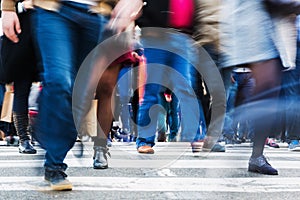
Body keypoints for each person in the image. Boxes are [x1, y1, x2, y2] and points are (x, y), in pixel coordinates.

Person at [1, 0, 144, 190]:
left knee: (79, 95)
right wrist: (8, 8)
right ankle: (54, 165)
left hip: (96, 14)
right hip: (52, 9)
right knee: (58, 81)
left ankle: (50, 135)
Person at [220, 0, 300, 175]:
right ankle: (252, 148)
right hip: (253, 24)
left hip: (257, 24)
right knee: (267, 88)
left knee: (268, 89)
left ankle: (256, 153)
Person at [135, 0, 209, 154]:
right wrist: (144, 22)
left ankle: (194, 136)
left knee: (186, 89)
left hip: (182, 36)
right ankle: (144, 140)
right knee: (151, 89)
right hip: (156, 34)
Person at [1, 0, 38, 154]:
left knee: (57, 81)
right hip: (24, 22)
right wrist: (12, 7)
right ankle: (24, 138)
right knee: (22, 83)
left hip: (55, 22)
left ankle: (46, 132)